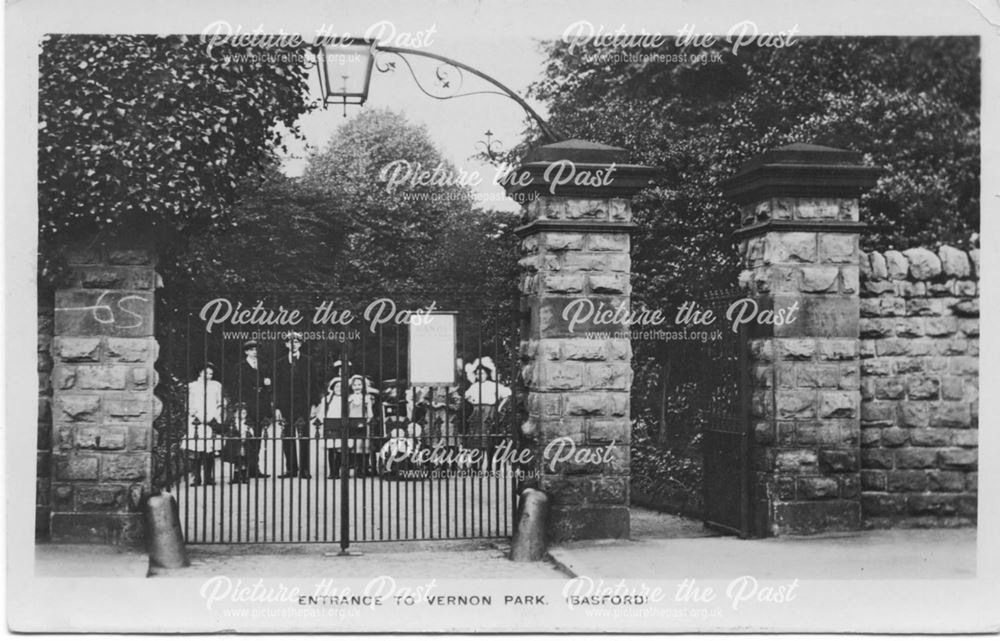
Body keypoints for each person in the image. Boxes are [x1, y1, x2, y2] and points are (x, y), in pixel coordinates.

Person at [273, 331, 320, 479]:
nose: (293, 344)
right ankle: (291, 469)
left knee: (304, 436)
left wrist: (314, 405)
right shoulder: (279, 363)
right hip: (286, 404)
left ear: (300, 344)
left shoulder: (308, 361)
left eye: (297, 341)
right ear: (286, 344)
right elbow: (276, 387)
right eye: (290, 342)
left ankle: (305, 469)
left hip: (303, 404)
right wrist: (277, 408)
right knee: (287, 436)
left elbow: (314, 384)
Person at [228, 340, 271, 479]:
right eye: (251, 349)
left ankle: (254, 468)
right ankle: (242, 468)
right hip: (246, 407)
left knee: (257, 437)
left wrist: (268, 385)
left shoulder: (264, 366)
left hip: (261, 406)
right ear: (246, 351)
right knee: (243, 438)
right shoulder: (239, 367)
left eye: (256, 349)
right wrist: (238, 405)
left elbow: (269, 389)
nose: (255, 352)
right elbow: (234, 388)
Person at [463, 357, 511, 459]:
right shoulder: (474, 386)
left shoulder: (493, 385)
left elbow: (507, 395)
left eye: (482, 373)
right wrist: (473, 403)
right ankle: (477, 465)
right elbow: (466, 396)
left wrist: (499, 408)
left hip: (490, 411)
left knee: (489, 437)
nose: (479, 376)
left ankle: (489, 464)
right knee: (476, 438)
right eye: (477, 374)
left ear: (487, 374)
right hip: (477, 412)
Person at [184, 362, 223, 486]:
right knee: (196, 449)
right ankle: (196, 477)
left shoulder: (216, 385)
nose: (209, 375)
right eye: (206, 373)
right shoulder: (192, 386)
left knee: (209, 450)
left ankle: (208, 477)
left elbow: (220, 403)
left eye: (211, 373)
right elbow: (188, 404)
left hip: (211, 420)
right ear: (200, 372)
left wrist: (215, 416)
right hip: (197, 421)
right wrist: (197, 415)